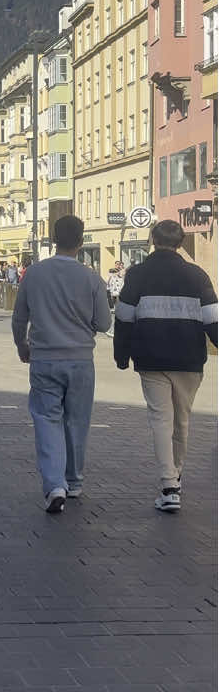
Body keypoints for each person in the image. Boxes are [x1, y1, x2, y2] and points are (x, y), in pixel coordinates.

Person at [113, 219, 218, 513]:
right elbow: (213, 319)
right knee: (181, 421)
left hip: (151, 358)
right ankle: (176, 477)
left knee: (160, 419)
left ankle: (168, 485)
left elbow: (123, 318)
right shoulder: (197, 275)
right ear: (181, 243)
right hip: (188, 360)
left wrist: (121, 355)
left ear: (152, 240)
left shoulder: (138, 275)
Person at [12, 215, 111, 513]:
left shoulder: (34, 273)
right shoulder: (92, 277)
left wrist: (22, 344)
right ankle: (75, 480)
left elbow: (20, 317)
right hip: (81, 360)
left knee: (46, 419)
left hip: (44, 358)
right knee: (77, 421)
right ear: (81, 242)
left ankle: (55, 484)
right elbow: (104, 322)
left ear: (54, 240)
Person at [104, 261, 125, 337]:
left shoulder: (121, 279)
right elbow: (107, 285)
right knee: (113, 312)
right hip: (113, 295)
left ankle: (115, 329)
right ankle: (112, 330)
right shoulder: (112, 278)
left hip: (118, 295)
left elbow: (122, 286)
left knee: (117, 312)